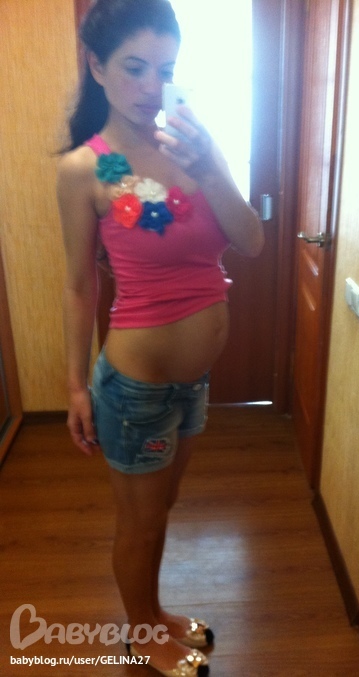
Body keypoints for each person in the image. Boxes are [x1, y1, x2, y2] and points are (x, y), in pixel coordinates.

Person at [57, 1, 264, 675]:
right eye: (135, 67)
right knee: (140, 521)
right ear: (97, 67)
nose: (152, 86)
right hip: (135, 387)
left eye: (166, 70)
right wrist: (74, 386)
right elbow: (79, 286)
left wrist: (209, 168)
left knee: (163, 505)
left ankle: (153, 614)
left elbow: (252, 241)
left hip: (191, 383)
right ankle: (142, 632)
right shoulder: (88, 168)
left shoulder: (195, 146)